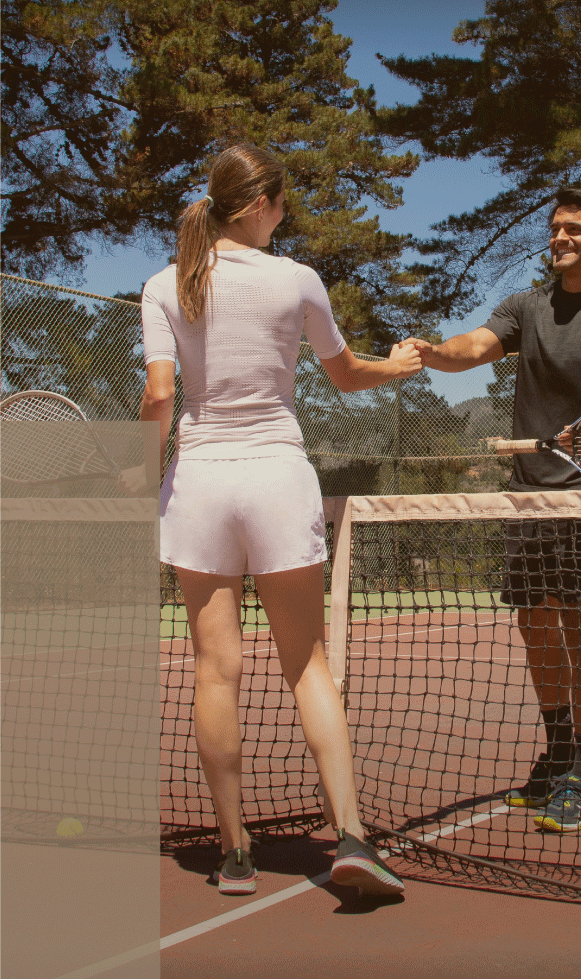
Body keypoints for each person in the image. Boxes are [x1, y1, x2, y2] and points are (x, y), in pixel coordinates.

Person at [140, 142, 421, 894]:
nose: (284, 215)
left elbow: (160, 399)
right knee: (308, 666)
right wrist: (398, 363)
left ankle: (235, 855)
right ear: (262, 205)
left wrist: (139, 475)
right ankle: (353, 841)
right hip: (276, 480)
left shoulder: (165, 284)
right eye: (282, 202)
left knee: (214, 673)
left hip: (198, 486)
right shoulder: (297, 280)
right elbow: (348, 373)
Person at [402, 187, 581, 832]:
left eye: (575, 229)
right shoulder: (526, 308)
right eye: (555, 228)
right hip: (529, 496)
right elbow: (474, 346)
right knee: (535, 628)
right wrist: (433, 353)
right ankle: (557, 756)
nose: (560, 238)